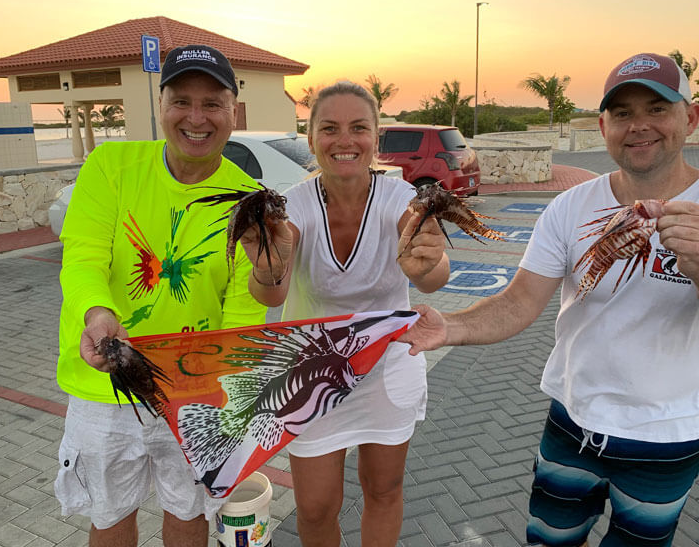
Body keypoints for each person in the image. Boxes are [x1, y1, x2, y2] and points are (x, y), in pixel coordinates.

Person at [400, 52, 699, 546]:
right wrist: (449, 327)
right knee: (549, 541)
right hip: (570, 423)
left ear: (689, 118)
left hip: (664, 437)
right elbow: (520, 301)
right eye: (623, 114)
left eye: (657, 108)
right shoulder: (570, 207)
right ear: (603, 125)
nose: (639, 126)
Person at [54, 44, 267, 547]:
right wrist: (98, 313)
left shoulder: (246, 201)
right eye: (182, 101)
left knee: (188, 511)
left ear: (233, 112)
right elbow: (82, 256)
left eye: (212, 103)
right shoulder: (111, 165)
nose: (197, 117)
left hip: (193, 392)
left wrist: (228, 398)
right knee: (109, 516)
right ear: (161, 104)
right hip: (104, 384)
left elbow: (242, 308)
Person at [238, 81, 450, 546]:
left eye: (359, 128)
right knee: (314, 508)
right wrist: (269, 269)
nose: (345, 140)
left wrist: (428, 259)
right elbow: (270, 296)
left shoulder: (400, 200)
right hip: (311, 371)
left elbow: (433, 276)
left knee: (384, 489)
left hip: (387, 364)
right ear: (311, 138)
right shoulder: (293, 205)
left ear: (376, 137)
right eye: (329, 128)